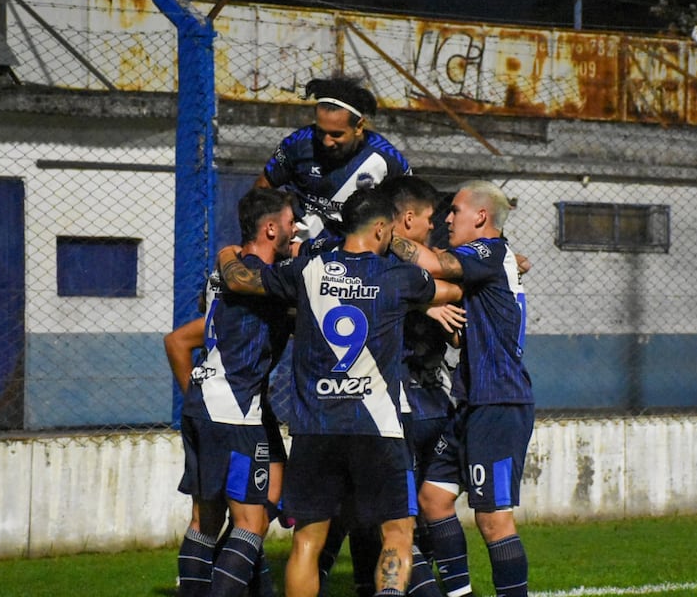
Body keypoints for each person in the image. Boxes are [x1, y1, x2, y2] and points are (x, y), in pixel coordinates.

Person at [217, 187, 463, 597]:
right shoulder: (398, 277)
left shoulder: (307, 271)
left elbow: (242, 280)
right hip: (377, 429)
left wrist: (227, 253)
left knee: (307, 542)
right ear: (383, 228)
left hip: (316, 428)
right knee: (398, 533)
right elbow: (451, 288)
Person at [389, 180, 535, 597]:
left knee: (493, 520)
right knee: (433, 499)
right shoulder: (491, 261)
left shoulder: (488, 252)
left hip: (499, 404)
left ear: (481, 217)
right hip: (471, 404)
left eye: (454, 211)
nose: (447, 219)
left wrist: (386, 235)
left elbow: (433, 265)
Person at [165, 187, 295, 596]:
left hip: (204, 405)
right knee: (251, 523)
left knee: (206, 520)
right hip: (236, 414)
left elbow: (190, 335)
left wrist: (200, 395)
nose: (296, 232)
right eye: (291, 224)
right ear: (271, 228)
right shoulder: (266, 280)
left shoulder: (222, 275)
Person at [254, 74, 412, 242]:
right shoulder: (296, 145)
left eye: (336, 134)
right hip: (297, 248)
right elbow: (261, 192)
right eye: (321, 131)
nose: (326, 142)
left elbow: (410, 212)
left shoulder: (388, 160)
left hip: (354, 253)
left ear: (358, 127)